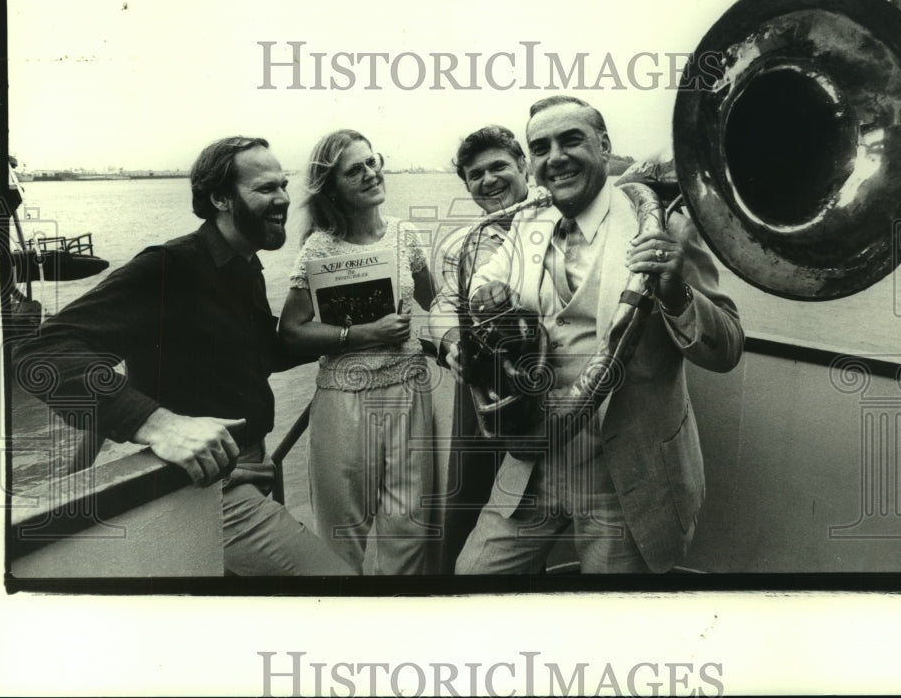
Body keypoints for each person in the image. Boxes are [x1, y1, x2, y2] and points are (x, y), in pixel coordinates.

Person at [11, 136, 354, 575]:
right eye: (266, 188)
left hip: (246, 469)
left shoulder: (241, 263)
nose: (284, 198)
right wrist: (159, 425)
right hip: (199, 486)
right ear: (220, 198)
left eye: (284, 185)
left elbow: (257, 350)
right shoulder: (169, 268)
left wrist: (352, 335)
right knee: (339, 583)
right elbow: (39, 355)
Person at [455, 96, 745, 574]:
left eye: (572, 140)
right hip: (532, 463)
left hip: (625, 475)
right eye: (541, 147)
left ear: (605, 147)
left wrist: (677, 297)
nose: (556, 158)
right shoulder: (527, 222)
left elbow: (728, 347)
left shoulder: (668, 226)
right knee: (471, 577)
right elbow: (474, 289)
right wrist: (486, 304)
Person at [280, 129, 440, 575]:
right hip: (344, 399)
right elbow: (291, 332)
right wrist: (367, 333)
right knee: (340, 536)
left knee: (408, 529)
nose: (371, 173)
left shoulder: (406, 235)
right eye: (356, 170)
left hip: (408, 392)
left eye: (373, 161)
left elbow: (438, 302)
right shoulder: (320, 246)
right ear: (333, 188)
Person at [426, 125, 530, 573]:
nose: (488, 181)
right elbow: (443, 304)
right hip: (508, 406)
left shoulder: (565, 217)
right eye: (475, 175)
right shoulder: (460, 245)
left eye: (498, 167)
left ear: (524, 165)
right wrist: (450, 341)